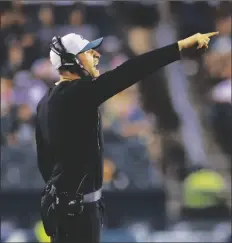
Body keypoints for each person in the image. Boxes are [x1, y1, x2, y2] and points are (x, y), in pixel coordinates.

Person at [35, 31, 218, 243]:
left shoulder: (46, 101)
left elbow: (44, 161)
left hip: (62, 206)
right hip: (77, 211)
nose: (96, 55)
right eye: (87, 52)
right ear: (71, 60)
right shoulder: (78, 93)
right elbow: (130, 71)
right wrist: (178, 48)